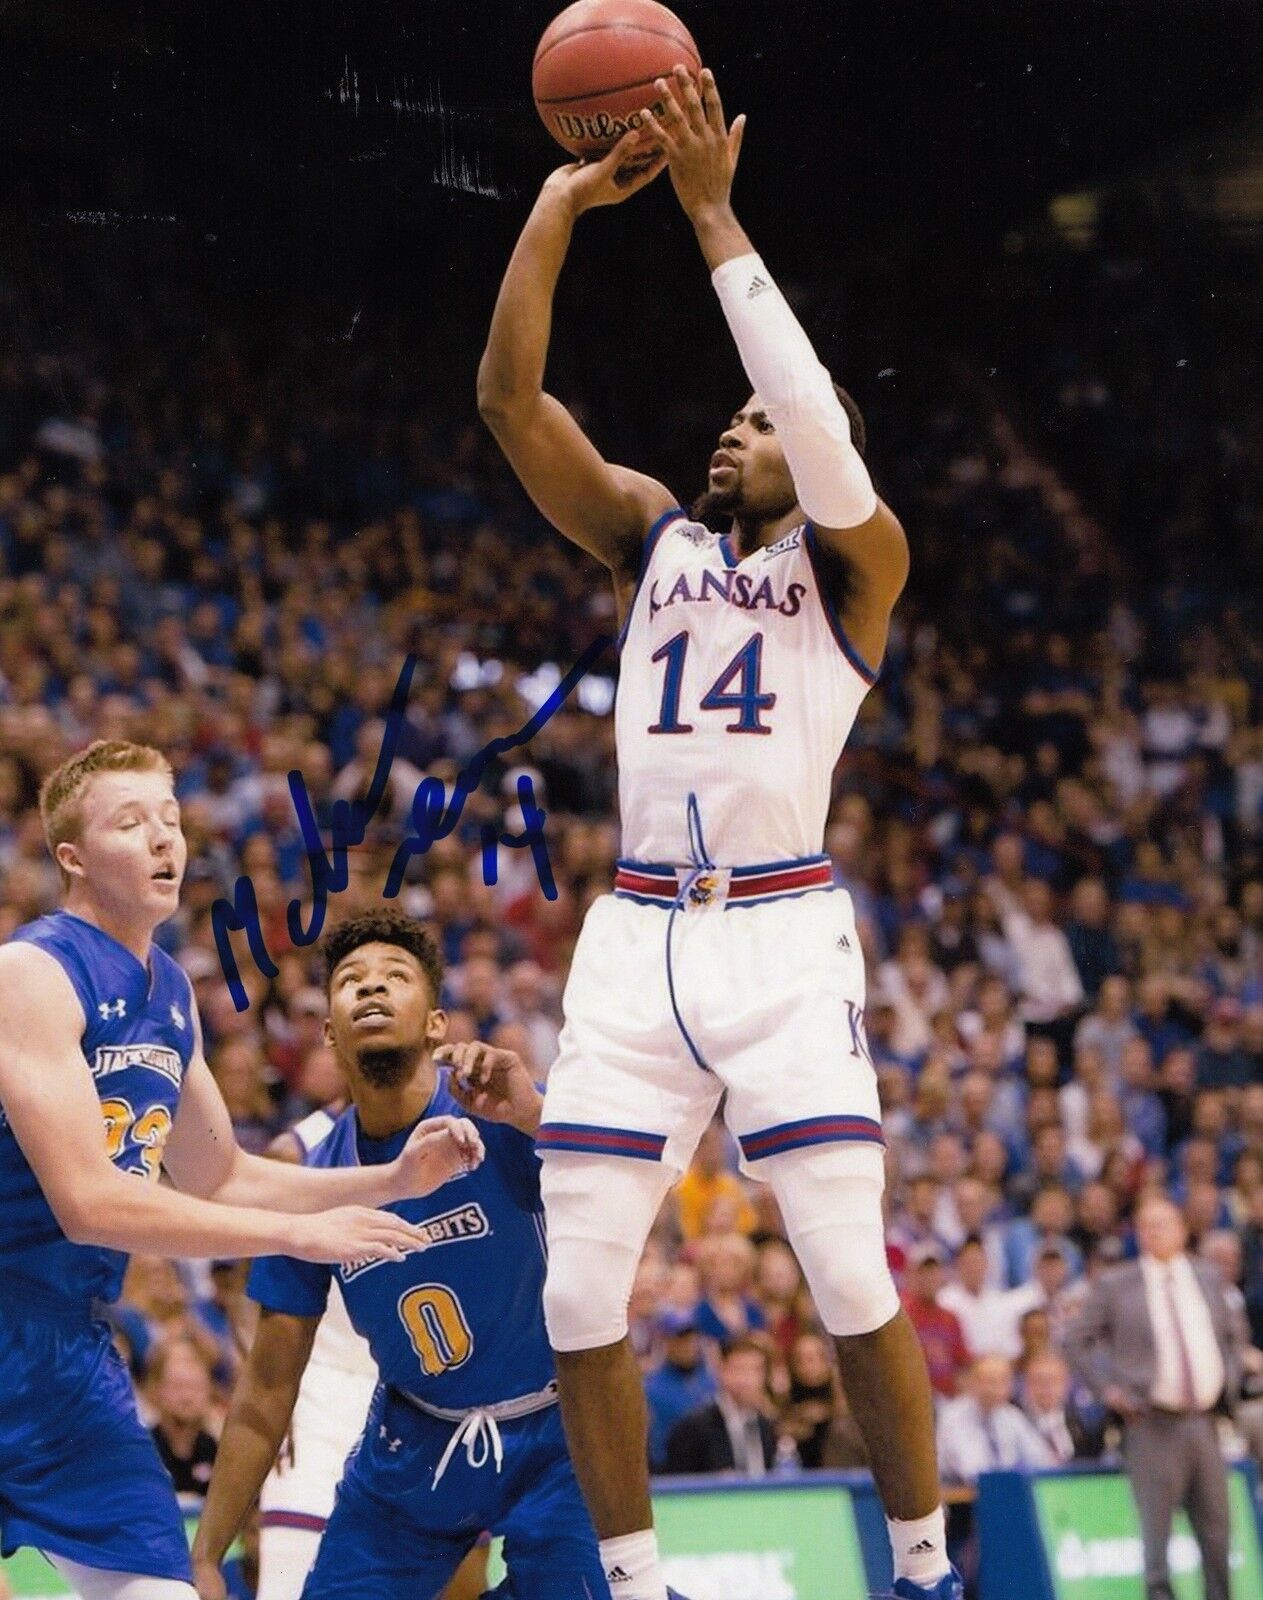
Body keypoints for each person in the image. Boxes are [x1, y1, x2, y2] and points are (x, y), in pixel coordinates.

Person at [478, 66, 955, 1600]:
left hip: (776, 928)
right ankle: (634, 1582)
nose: (726, 433)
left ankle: (922, 1566)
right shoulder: (647, 537)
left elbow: (818, 434)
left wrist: (712, 220)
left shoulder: (855, 571)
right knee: (571, 1289)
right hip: (632, 937)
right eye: (728, 415)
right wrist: (556, 210)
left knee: (841, 1267)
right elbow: (508, 403)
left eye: (752, 424)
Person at [0, 741, 481, 1600]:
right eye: (130, 822)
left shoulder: (169, 991)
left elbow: (220, 1178)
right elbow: (86, 1201)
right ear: (71, 857)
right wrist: (301, 1234)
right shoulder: (31, 972)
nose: (163, 840)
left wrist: (391, 1180)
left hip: (68, 1348)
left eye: (171, 820)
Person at [191, 909, 608, 1600]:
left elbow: (623, 1178)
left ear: (436, 1021)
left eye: (395, 977)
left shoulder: (497, 1112)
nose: (372, 989)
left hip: (555, 1430)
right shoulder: (312, 1181)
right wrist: (208, 1552)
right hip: (416, 1440)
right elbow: (266, 1392)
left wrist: (537, 1113)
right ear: (328, 1031)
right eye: (351, 981)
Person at [1064, 1194, 1244, 1600]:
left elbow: (1233, 1335)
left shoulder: (1207, 1276)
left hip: (1205, 1421)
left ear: (1182, 1229)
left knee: (1217, 1535)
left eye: (1163, 1223)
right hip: (1151, 1423)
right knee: (1156, 1539)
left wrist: (1227, 1381)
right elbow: (1075, 1338)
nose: (1155, 1231)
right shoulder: (1117, 1283)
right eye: (1146, 1225)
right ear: (1138, 1234)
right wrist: (1109, 1389)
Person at [662, 1337, 778, 1477]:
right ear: (721, 1371)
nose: (748, 1380)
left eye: (756, 1370)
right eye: (739, 1369)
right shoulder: (693, 1428)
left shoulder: (766, 1426)